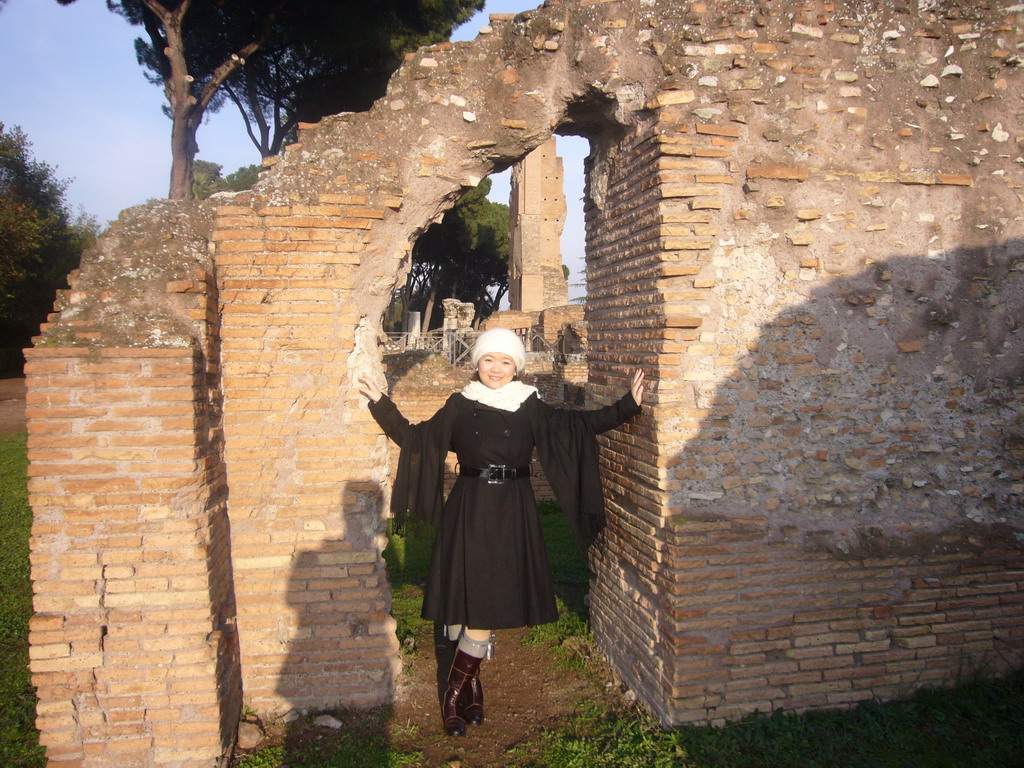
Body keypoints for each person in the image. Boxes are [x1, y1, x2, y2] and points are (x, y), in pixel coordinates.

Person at [358, 327, 645, 737]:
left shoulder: (528, 403)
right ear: (476, 363)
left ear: (517, 367)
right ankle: (470, 686)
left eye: (506, 361)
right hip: (469, 507)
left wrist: (627, 406)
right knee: (463, 593)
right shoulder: (460, 403)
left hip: (512, 508)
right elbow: (416, 438)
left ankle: (451, 695)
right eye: (489, 359)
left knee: (490, 594)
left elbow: (577, 427)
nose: (497, 368)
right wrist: (380, 404)